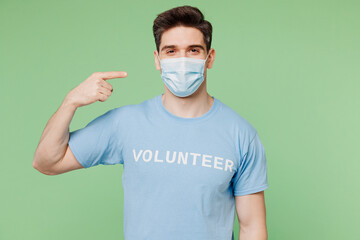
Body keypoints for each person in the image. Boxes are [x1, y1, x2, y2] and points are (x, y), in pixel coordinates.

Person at [33, 5, 269, 240]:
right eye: (171, 51)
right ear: (158, 60)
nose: (182, 60)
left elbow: (252, 228)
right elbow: (47, 161)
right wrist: (70, 102)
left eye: (194, 50)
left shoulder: (241, 134)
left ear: (210, 58)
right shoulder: (125, 123)